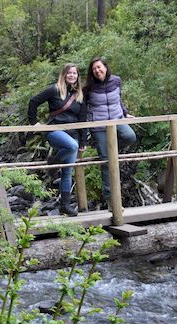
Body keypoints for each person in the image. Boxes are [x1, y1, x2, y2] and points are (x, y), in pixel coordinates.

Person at [27, 63, 86, 217]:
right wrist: (34, 123)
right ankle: (53, 162)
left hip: (72, 133)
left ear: (78, 76)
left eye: (75, 73)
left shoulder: (79, 95)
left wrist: (83, 141)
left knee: (67, 172)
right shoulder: (54, 90)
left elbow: (83, 119)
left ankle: (64, 206)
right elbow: (33, 101)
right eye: (69, 73)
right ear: (64, 74)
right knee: (72, 146)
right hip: (55, 131)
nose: (72, 75)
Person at [82, 57, 136, 204]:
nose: (97, 71)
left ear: (105, 67)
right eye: (94, 69)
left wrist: (125, 113)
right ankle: (110, 199)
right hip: (98, 126)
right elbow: (83, 108)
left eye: (99, 67)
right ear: (91, 73)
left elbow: (119, 99)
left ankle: (111, 150)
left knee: (130, 136)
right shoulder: (88, 87)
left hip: (117, 119)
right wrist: (84, 125)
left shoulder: (116, 81)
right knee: (106, 161)